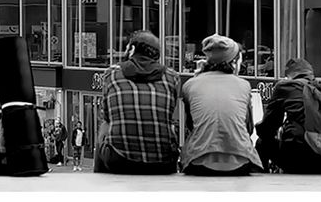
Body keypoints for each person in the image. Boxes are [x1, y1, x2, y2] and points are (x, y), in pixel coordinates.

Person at [94, 30, 180, 175]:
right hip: (163, 163)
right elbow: (170, 116)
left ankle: (100, 183)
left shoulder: (112, 74)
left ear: (132, 49)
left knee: (104, 126)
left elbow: (107, 116)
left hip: (119, 161)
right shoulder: (172, 77)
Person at [180, 34, 264, 176]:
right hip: (240, 162)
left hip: (200, 162)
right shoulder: (244, 85)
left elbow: (191, 125)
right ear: (235, 61)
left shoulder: (190, 85)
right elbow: (248, 128)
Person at [254, 58, 321, 174]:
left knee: (262, 143)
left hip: (298, 161)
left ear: (289, 75)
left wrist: (258, 128)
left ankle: (262, 186)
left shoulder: (285, 87)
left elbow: (268, 128)